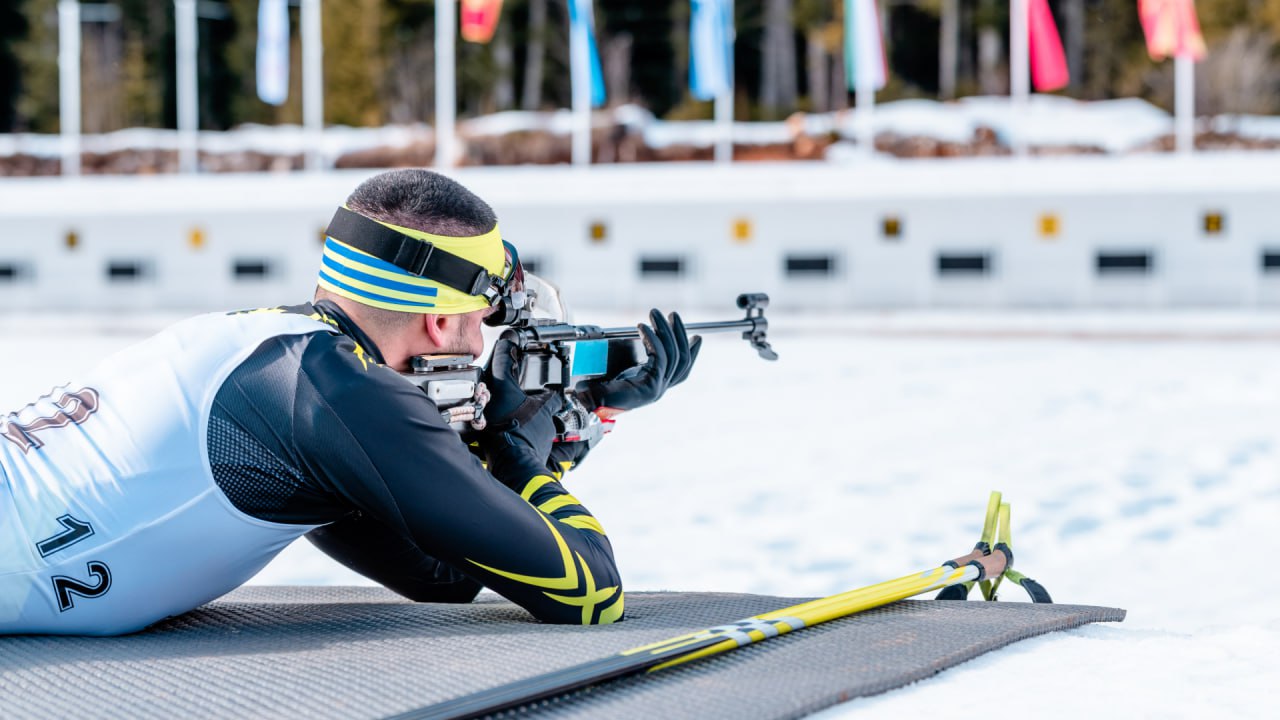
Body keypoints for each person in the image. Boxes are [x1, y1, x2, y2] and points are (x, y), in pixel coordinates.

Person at [0, 169, 699, 636]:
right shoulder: (344, 392)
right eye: (483, 318)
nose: (479, 340)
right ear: (439, 321)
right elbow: (590, 593)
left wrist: (573, 429)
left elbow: (440, 574)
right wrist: (517, 451)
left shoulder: (276, 354)